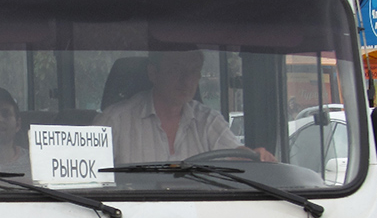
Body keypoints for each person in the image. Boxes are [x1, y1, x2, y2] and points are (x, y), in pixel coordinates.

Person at [95, 50, 274, 164]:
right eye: (176, 70)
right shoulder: (113, 122)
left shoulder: (208, 120)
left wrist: (256, 157)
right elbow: (87, 184)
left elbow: (236, 154)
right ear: (153, 73)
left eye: (193, 71)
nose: (186, 80)